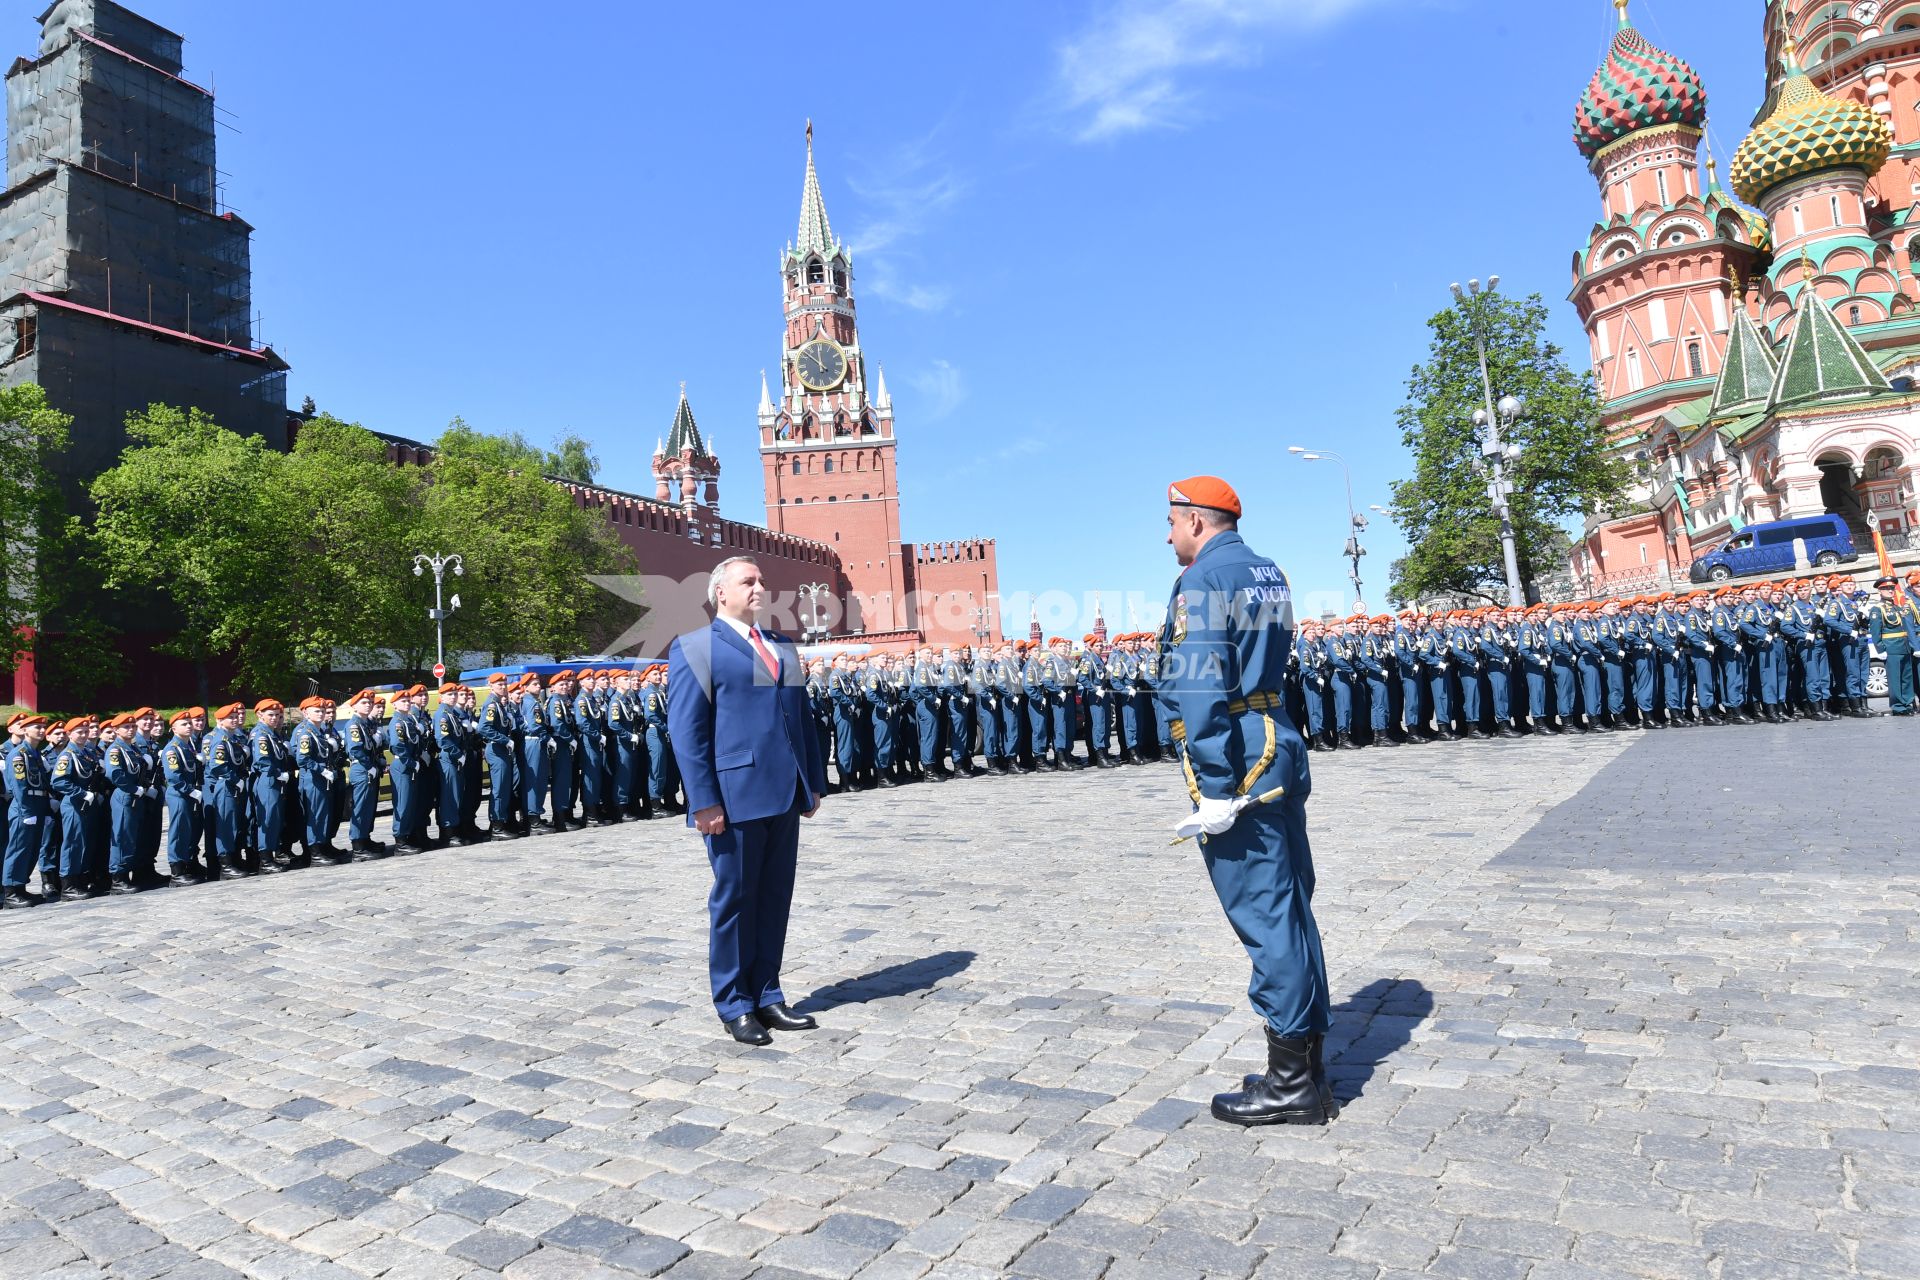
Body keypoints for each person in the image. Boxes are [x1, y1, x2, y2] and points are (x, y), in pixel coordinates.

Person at [1158, 476, 1331, 1127]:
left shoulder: (1203, 580)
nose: (1166, 533)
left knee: (1264, 913)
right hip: (1275, 737)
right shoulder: (1268, 571)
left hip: (1235, 751)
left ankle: (1292, 1084)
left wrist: (1214, 784)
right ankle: (1304, 1063)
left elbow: (1200, 680)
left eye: (1171, 521)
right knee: (1290, 909)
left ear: (1197, 522)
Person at [667, 555, 829, 1047]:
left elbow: (800, 718)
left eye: (761, 580)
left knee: (776, 895)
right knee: (736, 899)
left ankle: (767, 992)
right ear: (721, 592)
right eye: (749, 581)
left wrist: (813, 780)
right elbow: (687, 731)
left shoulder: (781, 646)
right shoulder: (696, 647)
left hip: (784, 792)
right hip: (733, 798)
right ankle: (734, 1002)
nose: (760, 587)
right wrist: (703, 801)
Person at [3, 715, 53, 906]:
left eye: (42, 727)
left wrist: (46, 810)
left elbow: (44, 784)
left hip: (38, 804)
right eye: (36, 727)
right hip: (25, 806)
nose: (41, 730)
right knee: (18, 849)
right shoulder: (19, 754)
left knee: (31, 850)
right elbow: (19, 785)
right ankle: (11, 892)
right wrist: (26, 812)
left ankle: (21, 887)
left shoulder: (35, 754)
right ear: (25, 731)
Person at [1870, 577, 1913, 715]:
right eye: (1885, 588)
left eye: (1891, 588)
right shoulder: (1878, 609)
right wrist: (1880, 649)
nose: (1890, 591)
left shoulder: (1896, 607)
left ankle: (1908, 703)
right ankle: (1898, 706)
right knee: (1895, 679)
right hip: (1891, 648)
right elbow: (1876, 632)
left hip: (1904, 646)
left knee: (1906, 677)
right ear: (1879, 591)